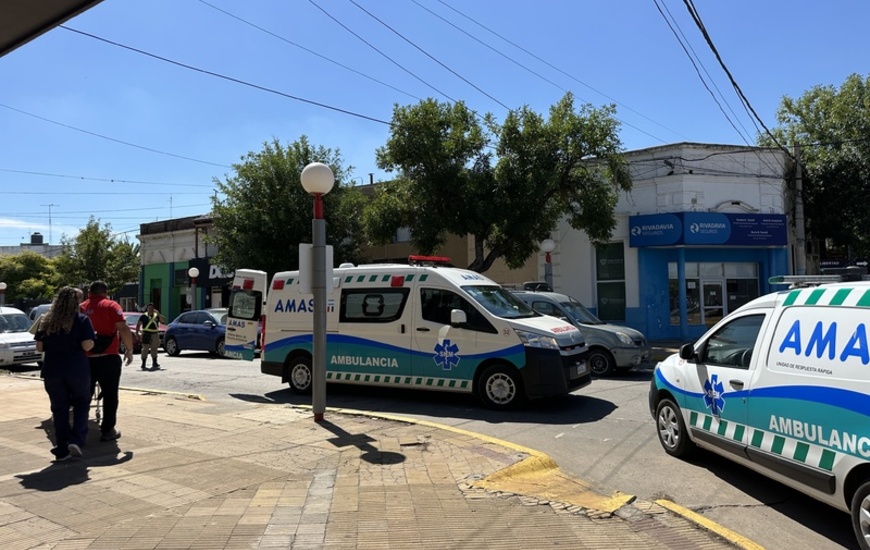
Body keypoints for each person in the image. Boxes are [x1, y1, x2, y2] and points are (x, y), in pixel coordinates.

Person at [34, 286, 95, 461]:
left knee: (59, 408)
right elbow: (86, 346)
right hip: (76, 369)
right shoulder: (82, 320)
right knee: (82, 403)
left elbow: (40, 347)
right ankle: (76, 439)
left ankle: (61, 448)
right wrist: (91, 341)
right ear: (76, 302)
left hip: (52, 370)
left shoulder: (45, 320)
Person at [81, 280, 134, 442]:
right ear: (106, 292)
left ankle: (80, 429)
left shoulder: (81, 307)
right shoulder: (112, 306)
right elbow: (123, 328)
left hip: (86, 359)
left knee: (83, 396)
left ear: (89, 293)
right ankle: (108, 430)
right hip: (109, 358)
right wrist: (129, 350)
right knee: (111, 395)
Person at [135, 303, 165, 370]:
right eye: (149, 308)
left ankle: (154, 362)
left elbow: (163, 321)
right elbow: (138, 324)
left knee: (154, 348)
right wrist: (137, 334)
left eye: (151, 308)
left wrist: (159, 314)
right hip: (146, 333)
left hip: (155, 334)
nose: (150, 309)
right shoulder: (144, 316)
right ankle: (143, 363)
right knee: (145, 349)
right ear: (147, 309)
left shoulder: (156, 315)